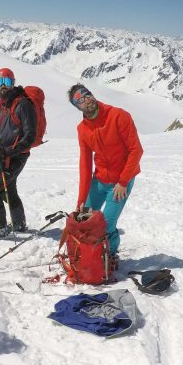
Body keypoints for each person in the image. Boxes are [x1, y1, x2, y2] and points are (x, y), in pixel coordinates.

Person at [69, 83, 143, 254]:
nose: (86, 99)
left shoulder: (118, 116)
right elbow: (85, 165)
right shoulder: (83, 129)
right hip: (100, 180)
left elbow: (136, 150)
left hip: (121, 181)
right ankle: (86, 255)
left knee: (106, 225)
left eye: (87, 94)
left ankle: (110, 255)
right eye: (80, 100)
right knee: (82, 219)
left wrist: (123, 181)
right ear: (77, 107)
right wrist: (81, 200)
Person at [0, 67, 36, 239]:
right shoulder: (2, 104)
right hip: (3, 156)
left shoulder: (23, 104)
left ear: (13, 83)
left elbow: (30, 135)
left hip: (16, 157)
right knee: (9, 191)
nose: (3, 86)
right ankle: (18, 223)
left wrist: (10, 151)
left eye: (6, 82)